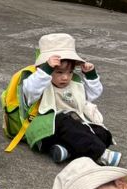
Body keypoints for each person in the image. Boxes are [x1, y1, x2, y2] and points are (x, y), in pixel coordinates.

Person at [16, 33, 119, 166]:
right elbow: (30, 90)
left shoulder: (74, 82)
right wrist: (45, 70)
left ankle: (66, 150)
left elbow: (92, 95)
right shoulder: (39, 82)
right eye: (59, 72)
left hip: (72, 129)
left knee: (103, 134)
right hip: (46, 131)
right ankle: (101, 155)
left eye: (69, 72)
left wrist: (91, 75)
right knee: (64, 121)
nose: (65, 77)